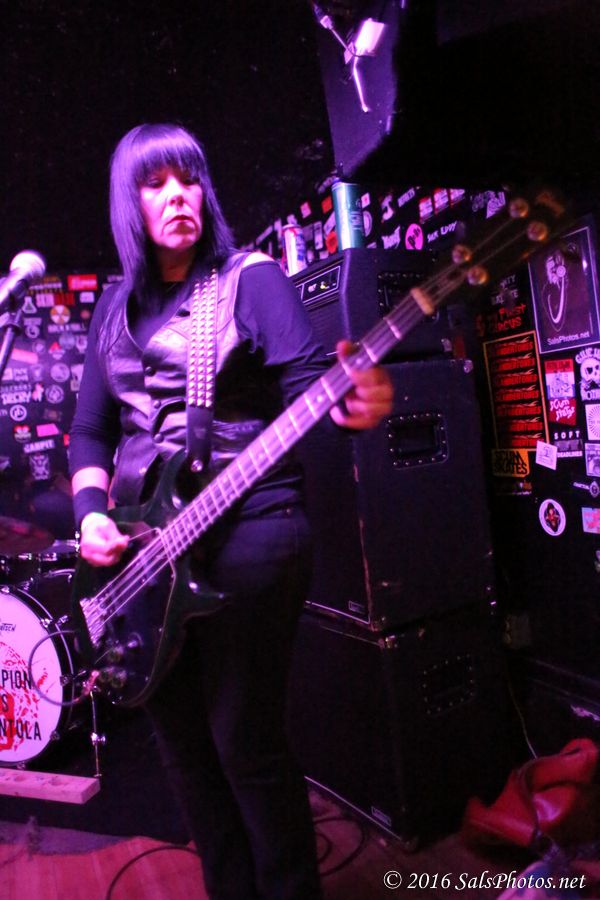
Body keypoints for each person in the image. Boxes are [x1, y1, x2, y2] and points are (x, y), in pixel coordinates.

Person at [69, 122, 393, 900]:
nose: (178, 194)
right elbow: (89, 431)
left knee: (243, 742)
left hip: (252, 526)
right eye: (155, 182)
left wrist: (356, 402)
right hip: (148, 552)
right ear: (127, 203)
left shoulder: (251, 280)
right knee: (185, 752)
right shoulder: (111, 309)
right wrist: (89, 513)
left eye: (189, 178)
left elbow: (314, 388)